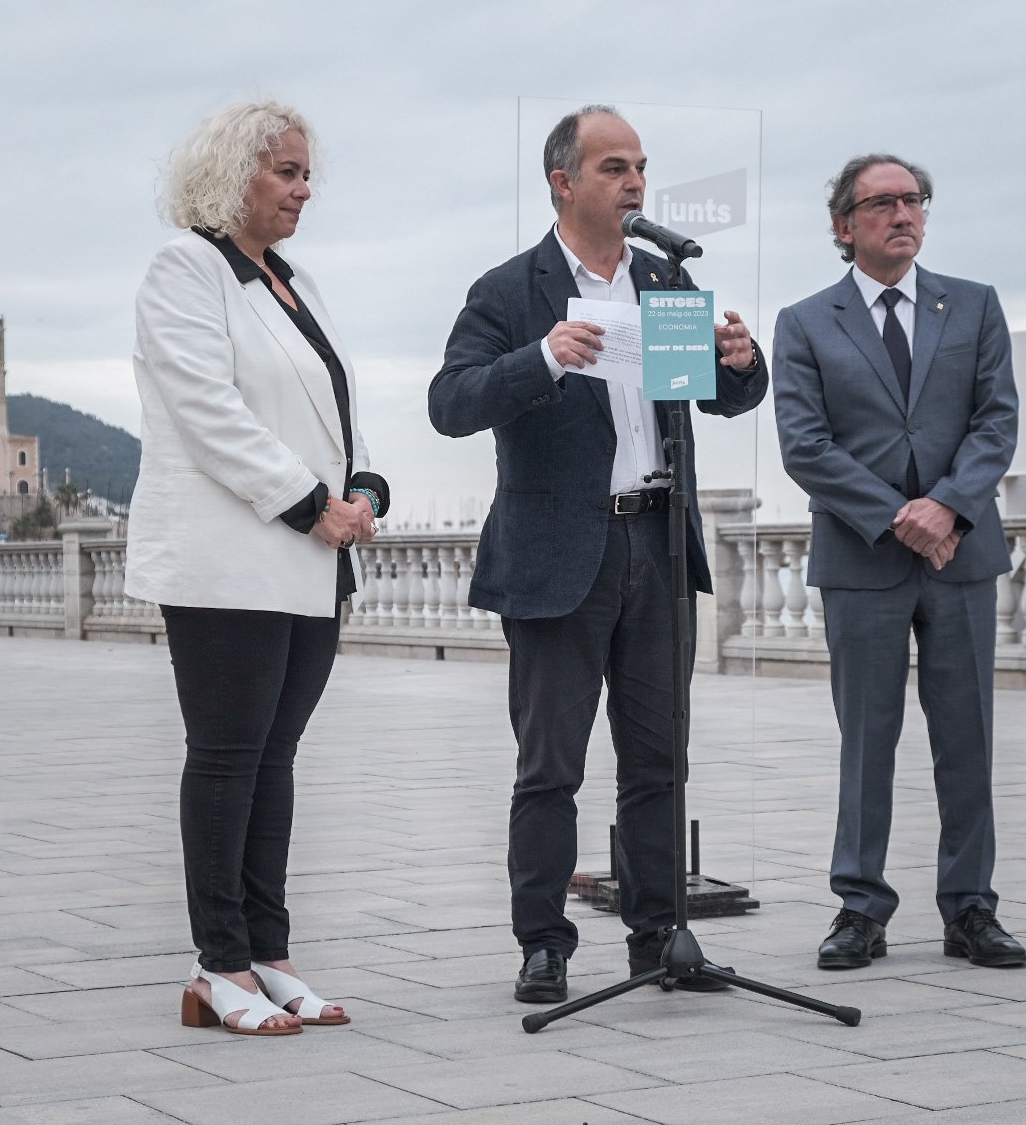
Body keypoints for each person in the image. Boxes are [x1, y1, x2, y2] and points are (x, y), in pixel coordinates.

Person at [427, 105, 767, 1003]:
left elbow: (719, 401)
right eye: (615, 167)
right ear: (563, 182)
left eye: (642, 167)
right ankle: (544, 944)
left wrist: (739, 362)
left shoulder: (662, 280)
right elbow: (450, 402)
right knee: (552, 769)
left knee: (658, 762)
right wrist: (541, 357)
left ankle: (660, 941)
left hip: (656, 545)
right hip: (555, 560)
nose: (635, 184)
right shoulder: (511, 291)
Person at [124, 100, 388, 1036]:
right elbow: (209, 411)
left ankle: (269, 954)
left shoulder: (295, 280)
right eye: (286, 171)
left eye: (307, 173)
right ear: (233, 174)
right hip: (227, 562)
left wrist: (363, 490)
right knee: (228, 760)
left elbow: (328, 409)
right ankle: (217, 964)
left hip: (311, 565)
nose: (304, 189)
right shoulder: (185, 268)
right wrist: (312, 504)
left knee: (274, 762)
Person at [772, 153, 1026, 970]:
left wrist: (946, 505)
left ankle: (971, 909)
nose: (902, 214)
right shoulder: (806, 322)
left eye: (912, 200)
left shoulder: (976, 306)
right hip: (863, 558)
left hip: (962, 553)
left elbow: (996, 422)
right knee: (866, 741)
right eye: (881, 204)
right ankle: (860, 909)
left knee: (968, 739)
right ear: (843, 227)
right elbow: (804, 447)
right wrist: (898, 517)